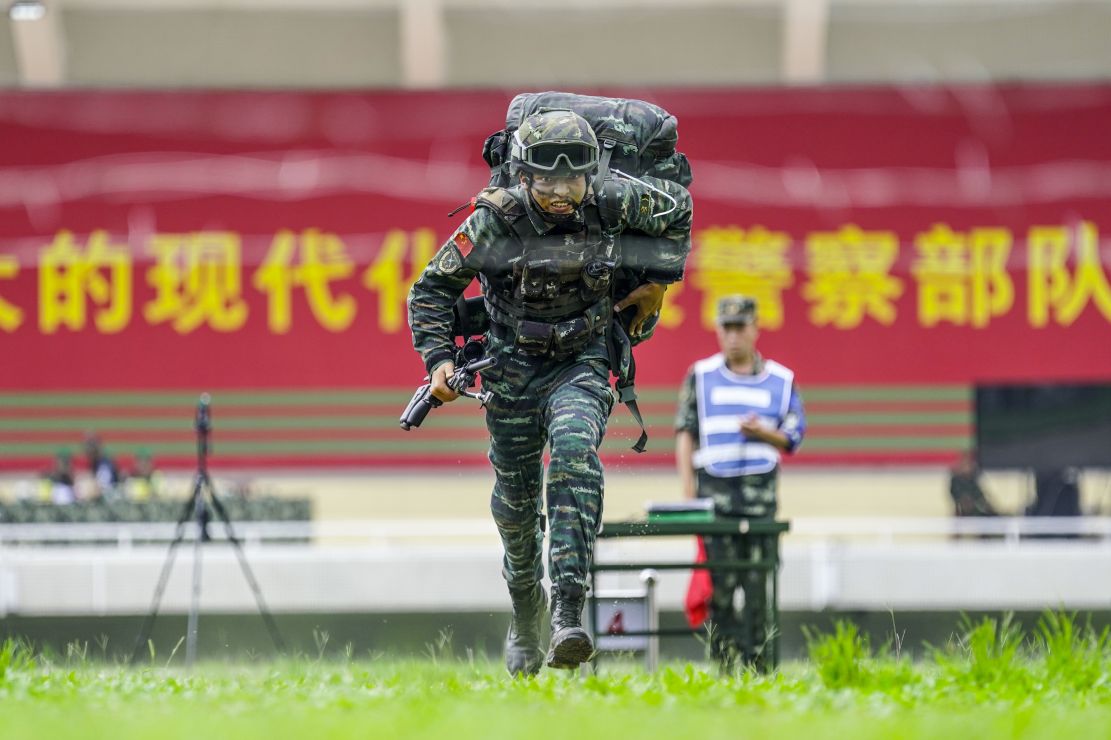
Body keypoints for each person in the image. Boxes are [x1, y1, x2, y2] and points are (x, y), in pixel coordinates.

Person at [407, 109, 692, 676]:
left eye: (573, 178)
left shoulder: (614, 199)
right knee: (516, 510)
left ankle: (568, 608)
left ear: (592, 173)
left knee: (572, 455)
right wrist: (439, 362)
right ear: (523, 174)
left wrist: (658, 282)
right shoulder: (496, 220)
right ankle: (526, 608)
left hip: (582, 360)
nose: (561, 191)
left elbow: (678, 210)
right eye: (546, 178)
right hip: (509, 367)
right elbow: (430, 290)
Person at [674, 295, 806, 671]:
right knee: (719, 591)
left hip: (760, 507)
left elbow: (795, 434)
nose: (732, 337)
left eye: (740, 327)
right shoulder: (700, 375)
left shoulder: (780, 380)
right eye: (726, 328)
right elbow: (685, 432)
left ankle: (759, 668)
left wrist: (764, 433)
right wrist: (688, 495)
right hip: (715, 506)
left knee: (758, 592)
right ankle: (725, 667)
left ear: (755, 329)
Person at [948, 451, 997, 518]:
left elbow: (980, 497)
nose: (969, 467)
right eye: (965, 464)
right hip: (967, 514)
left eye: (969, 464)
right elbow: (962, 501)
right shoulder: (956, 482)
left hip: (979, 512)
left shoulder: (972, 480)